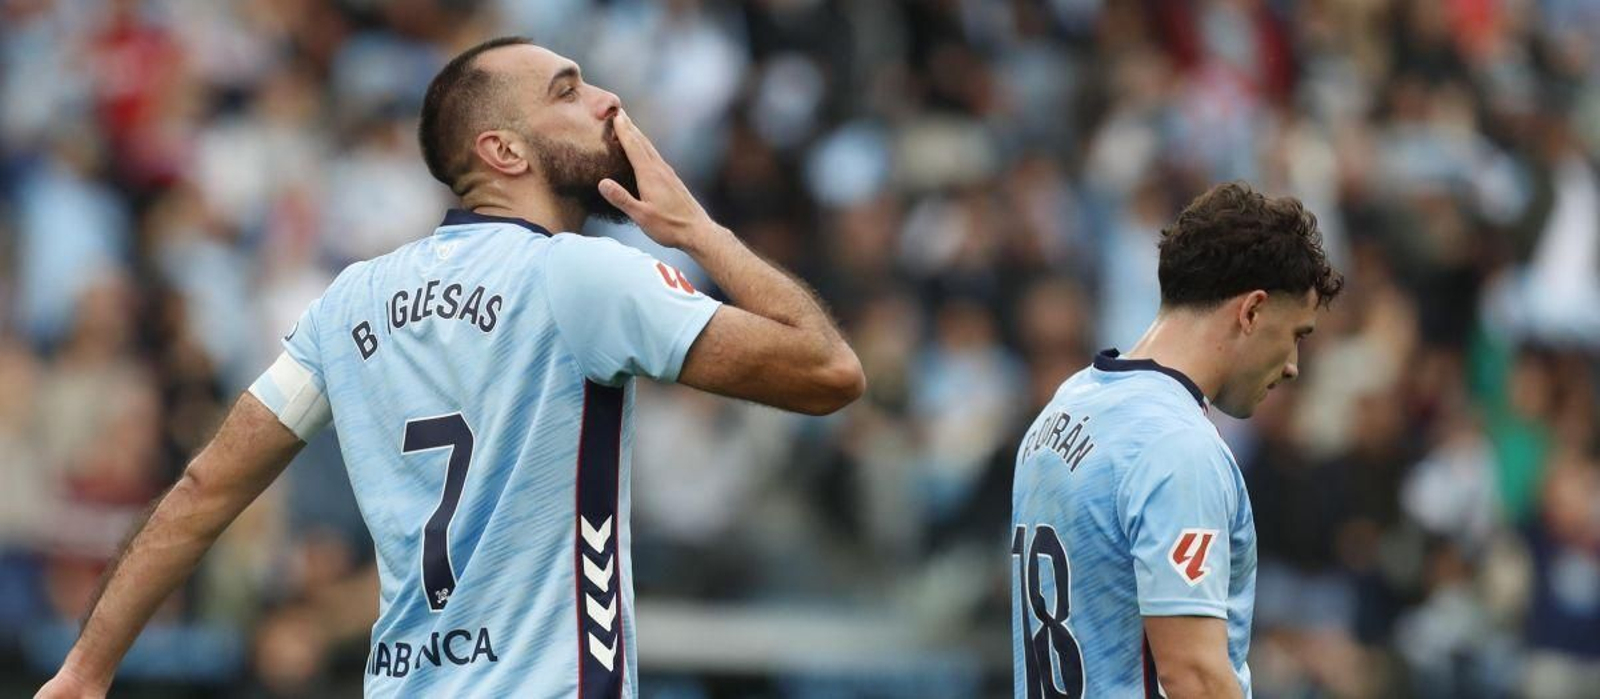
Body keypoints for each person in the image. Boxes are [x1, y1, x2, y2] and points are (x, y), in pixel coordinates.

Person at [38, 36, 864, 699]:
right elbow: (828, 371)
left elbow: (200, 491)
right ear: (504, 149)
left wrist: (84, 672)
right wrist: (694, 228)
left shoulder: (350, 300)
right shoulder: (579, 275)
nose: (608, 100)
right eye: (568, 91)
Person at [1009, 182, 1343, 698]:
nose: (1294, 367)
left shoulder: (1066, 407)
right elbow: (1194, 679)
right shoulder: (1175, 446)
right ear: (1252, 311)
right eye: (1296, 334)